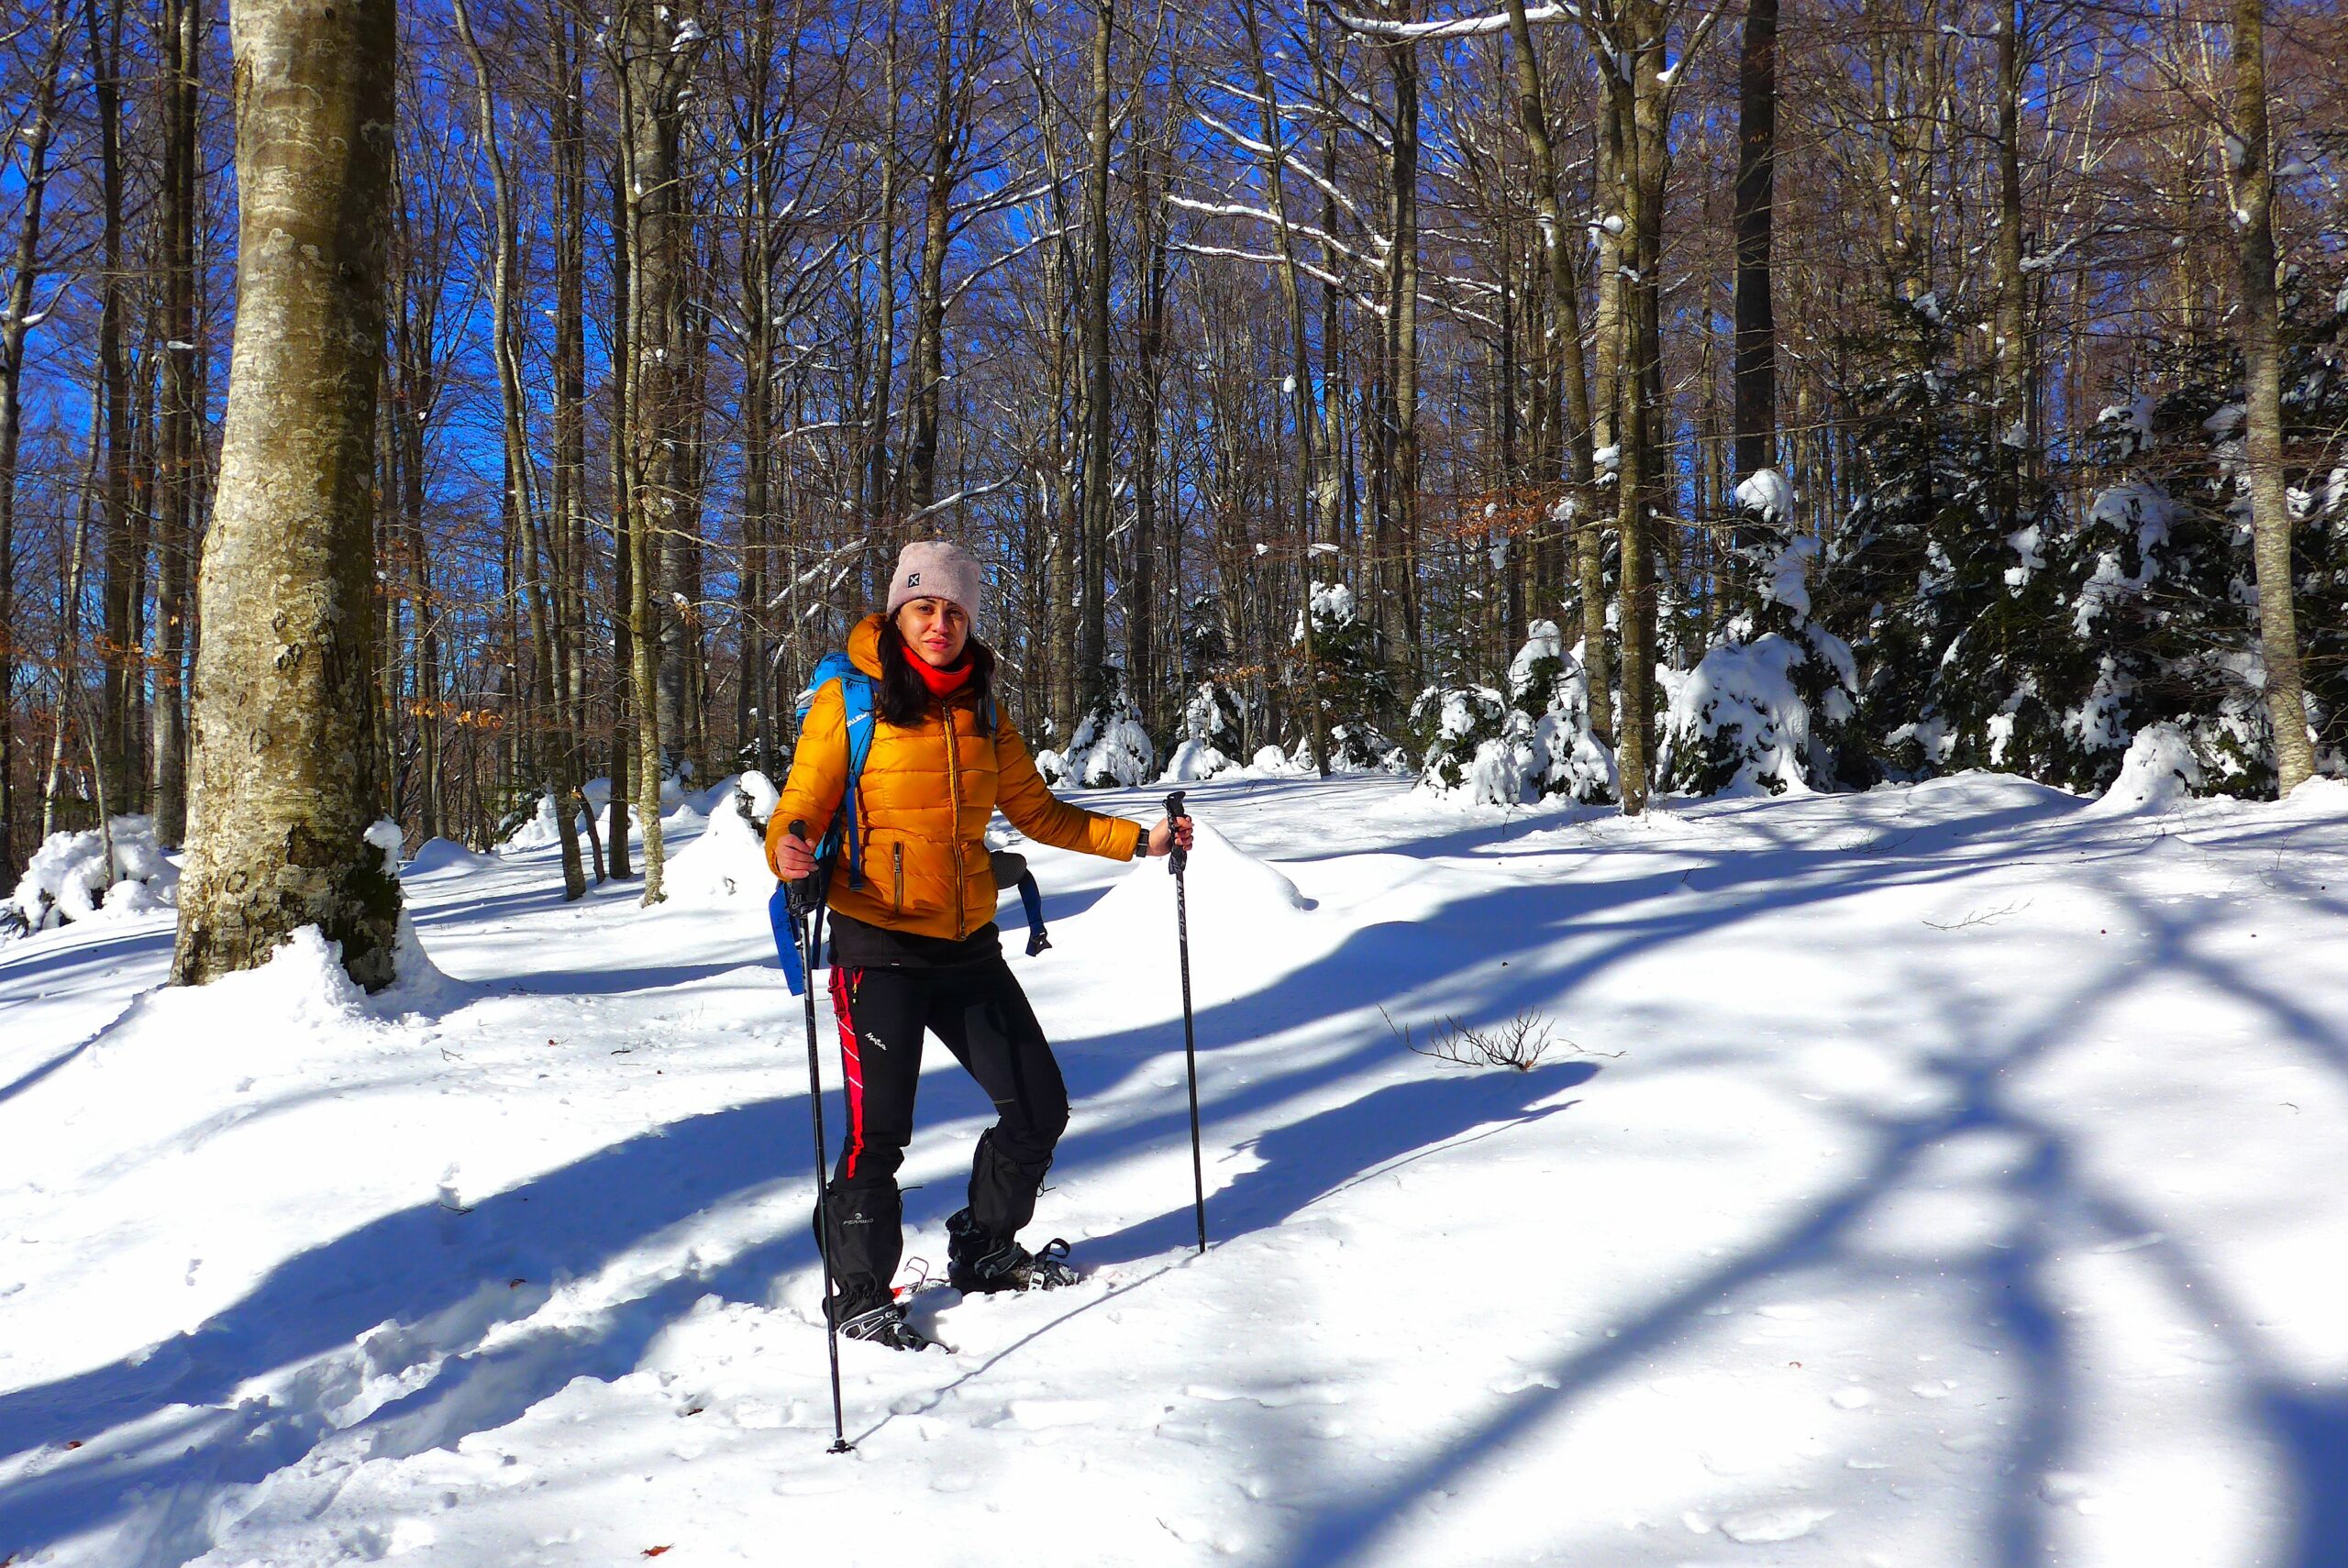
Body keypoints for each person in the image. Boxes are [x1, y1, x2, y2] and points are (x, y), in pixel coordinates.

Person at [768, 538, 1192, 1351]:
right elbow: (801, 806)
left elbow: (1042, 815)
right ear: (900, 613)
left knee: (1038, 1107)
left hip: (966, 941)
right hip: (875, 944)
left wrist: (1142, 843)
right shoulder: (850, 702)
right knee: (876, 1133)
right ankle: (860, 1291)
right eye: (924, 607)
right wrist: (788, 848)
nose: (939, 624)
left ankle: (985, 1246)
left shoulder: (985, 709)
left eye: (955, 611)